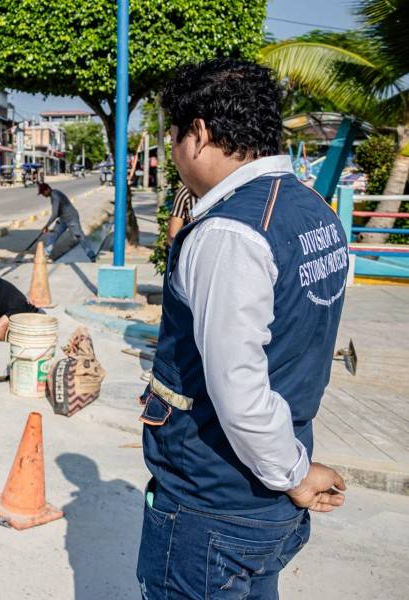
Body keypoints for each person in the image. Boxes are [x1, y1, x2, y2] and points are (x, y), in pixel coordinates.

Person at [137, 58, 348, 599]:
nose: (174, 153)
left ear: (200, 134)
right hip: (266, 498)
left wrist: (296, 475)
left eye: (174, 137)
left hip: (214, 506)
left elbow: (240, 392)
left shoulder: (230, 233)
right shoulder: (314, 211)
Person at [37, 182, 97, 262]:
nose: (43, 195)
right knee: (54, 234)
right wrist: (48, 226)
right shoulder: (53, 194)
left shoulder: (55, 196)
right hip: (63, 218)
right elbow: (58, 212)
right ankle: (46, 254)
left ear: (47, 189)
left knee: (79, 236)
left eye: (43, 192)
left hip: (71, 218)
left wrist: (46, 226)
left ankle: (91, 255)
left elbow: (54, 214)